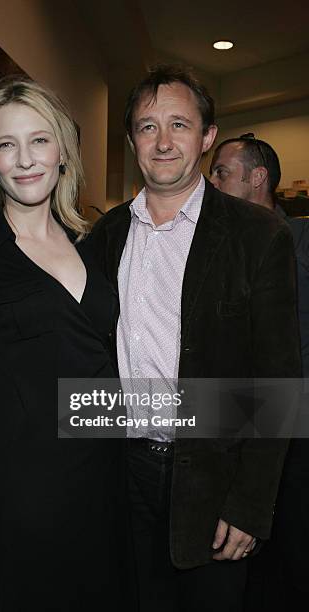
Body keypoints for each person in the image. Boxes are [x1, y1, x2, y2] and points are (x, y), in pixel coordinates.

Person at [88, 65, 301, 611]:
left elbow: (279, 380)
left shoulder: (258, 236)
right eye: (147, 126)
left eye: (179, 125)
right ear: (131, 139)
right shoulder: (102, 237)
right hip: (120, 475)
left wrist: (251, 504)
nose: (162, 142)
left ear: (206, 138)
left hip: (215, 481)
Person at [0, 76, 132, 611]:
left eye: (39, 140)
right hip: (17, 490)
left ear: (62, 148)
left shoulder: (100, 246)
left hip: (107, 486)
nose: (24, 159)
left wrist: (250, 417)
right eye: (5, 144)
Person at [211, 134, 309, 609]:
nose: (212, 182)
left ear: (258, 178)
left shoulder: (301, 244)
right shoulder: (220, 250)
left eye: (222, 172)